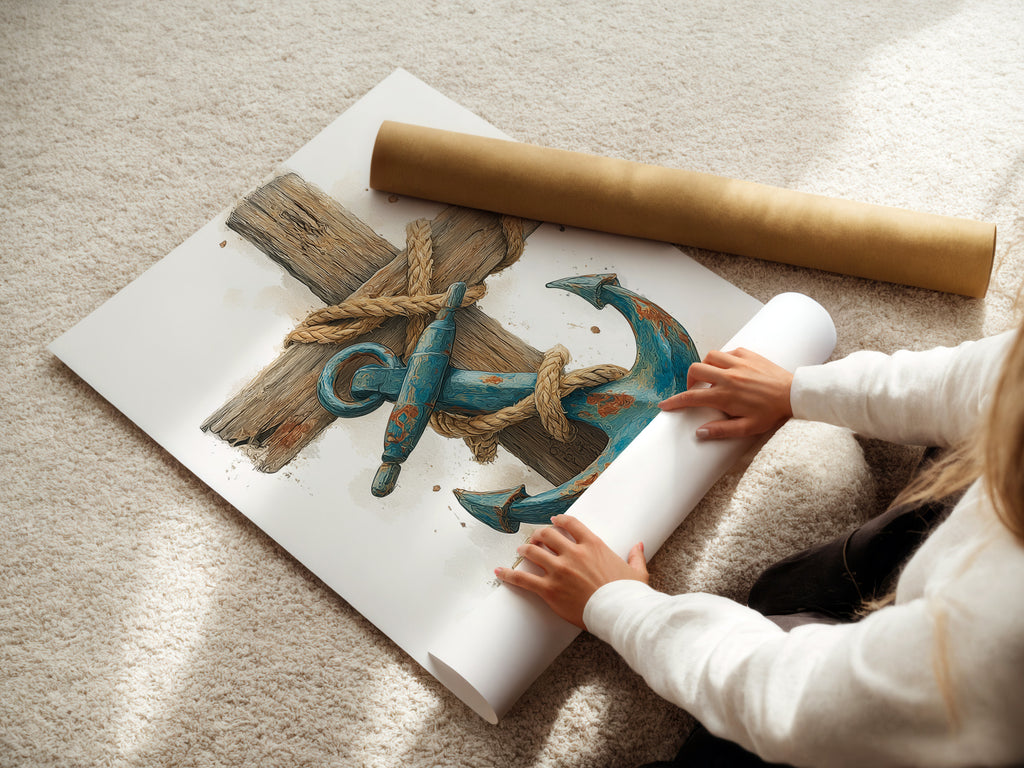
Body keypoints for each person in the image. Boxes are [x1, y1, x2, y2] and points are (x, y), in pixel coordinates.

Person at [494, 324, 1024, 767]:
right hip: (964, 577)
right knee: (789, 590)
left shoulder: (997, 640)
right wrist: (798, 390)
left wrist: (620, 606)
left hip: (947, 720)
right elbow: (983, 378)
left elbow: (794, 701)